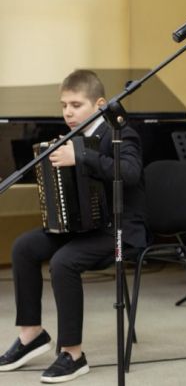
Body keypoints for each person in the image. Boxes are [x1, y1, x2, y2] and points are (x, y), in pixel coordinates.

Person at [0, 70, 148, 383]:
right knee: (24, 247)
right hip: (84, 226)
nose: (68, 112)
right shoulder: (72, 137)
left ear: (100, 104)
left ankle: (73, 354)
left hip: (119, 231)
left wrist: (79, 156)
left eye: (76, 105)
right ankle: (31, 334)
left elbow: (130, 172)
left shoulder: (120, 133)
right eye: (64, 105)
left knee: (63, 262)